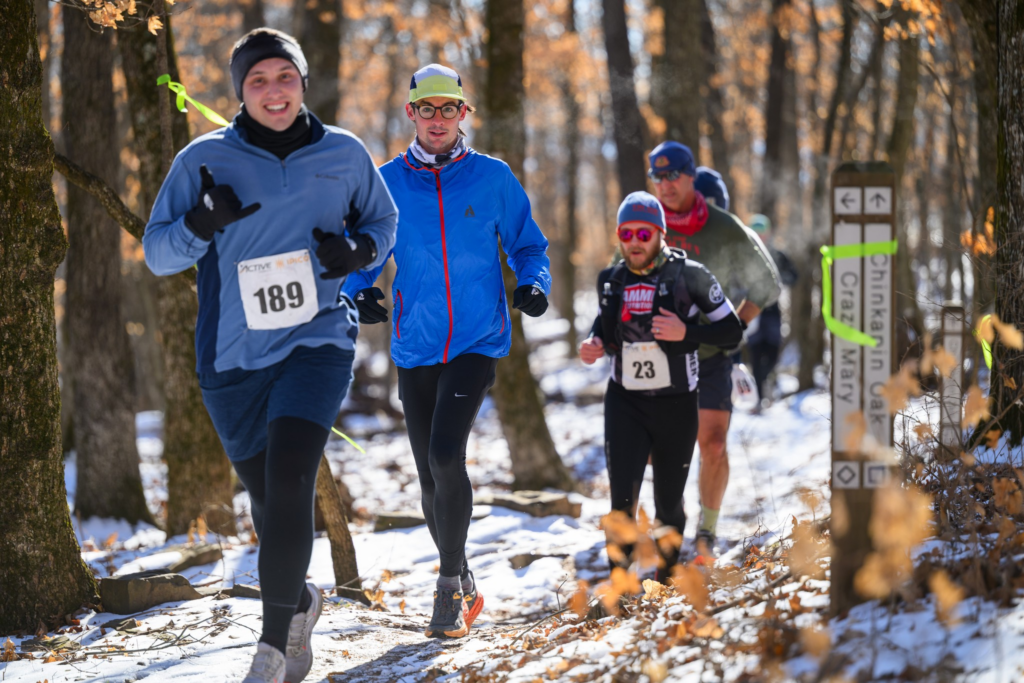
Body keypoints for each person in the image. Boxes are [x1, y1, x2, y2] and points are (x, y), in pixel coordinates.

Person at [142, 28, 398, 683]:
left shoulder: (343, 153)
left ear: (303, 81)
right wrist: (200, 222)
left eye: (285, 75)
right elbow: (157, 252)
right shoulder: (204, 159)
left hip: (317, 342)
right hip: (231, 357)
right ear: (240, 91)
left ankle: (272, 648)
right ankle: (301, 601)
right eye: (257, 80)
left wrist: (359, 253)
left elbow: (383, 221)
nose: (274, 90)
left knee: (289, 482)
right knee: (268, 500)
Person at [342, 64, 552, 639]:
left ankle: (446, 591)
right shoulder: (386, 183)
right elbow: (360, 255)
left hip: (477, 340)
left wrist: (533, 284)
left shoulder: (492, 177)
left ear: (464, 113)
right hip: (415, 344)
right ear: (411, 113)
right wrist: (359, 291)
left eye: (449, 108)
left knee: (444, 456)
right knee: (429, 479)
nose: (438, 119)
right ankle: (464, 580)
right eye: (427, 108)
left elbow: (529, 246)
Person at [579, 192, 743, 581]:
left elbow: (732, 330)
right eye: (627, 233)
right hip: (625, 403)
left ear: (660, 234)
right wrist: (594, 342)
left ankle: (666, 581)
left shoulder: (692, 276)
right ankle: (620, 588)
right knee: (622, 500)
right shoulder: (610, 279)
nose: (634, 242)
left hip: (677, 404)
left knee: (668, 502)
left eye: (644, 233)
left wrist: (687, 332)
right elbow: (604, 326)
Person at [646, 141, 780, 556]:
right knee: (656, 452)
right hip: (656, 358)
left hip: (709, 357)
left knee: (714, 444)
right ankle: (670, 521)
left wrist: (733, 327)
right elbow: (621, 275)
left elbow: (767, 284)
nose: (665, 184)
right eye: (658, 177)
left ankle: (706, 532)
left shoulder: (724, 227)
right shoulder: (648, 220)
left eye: (673, 175)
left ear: (689, 177)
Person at [744, 214, 799, 409]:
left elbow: (794, 276)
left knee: (773, 352)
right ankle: (759, 398)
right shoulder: (744, 255)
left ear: (768, 234)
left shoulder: (777, 254)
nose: (760, 237)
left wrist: (779, 279)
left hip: (773, 310)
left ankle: (767, 382)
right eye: (755, 233)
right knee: (756, 353)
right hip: (752, 310)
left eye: (762, 233)